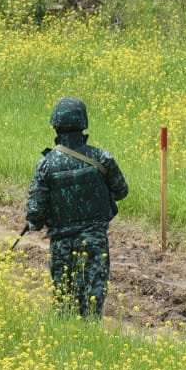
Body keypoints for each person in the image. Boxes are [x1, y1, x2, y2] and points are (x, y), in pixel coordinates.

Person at [25, 96, 129, 318]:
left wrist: (33, 223)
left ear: (56, 125)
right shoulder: (102, 158)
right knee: (91, 309)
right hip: (95, 242)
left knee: (64, 307)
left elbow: (35, 213)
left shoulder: (46, 164)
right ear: (83, 123)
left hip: (62, 245)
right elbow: (121, 191)